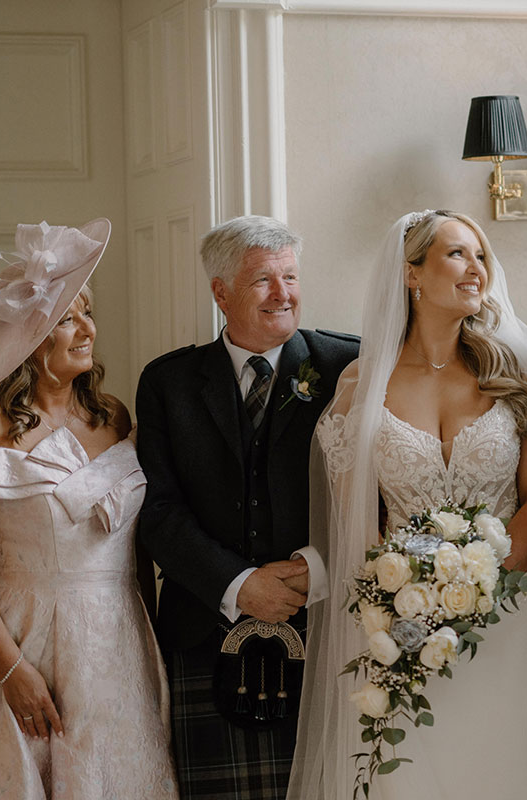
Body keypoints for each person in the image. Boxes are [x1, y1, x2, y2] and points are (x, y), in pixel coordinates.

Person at [286, 210, 527, 800]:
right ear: (412, 274)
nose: (476, 269)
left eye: (481, 256)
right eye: (458, 254)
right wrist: (401, 608)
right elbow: (354, 525)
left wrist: (489, 586)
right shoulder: (363, 385)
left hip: (507, 622)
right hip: (404, 624)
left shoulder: (515, 373)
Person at [0, 219, 177, 798]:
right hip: (16, 640)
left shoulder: (113, 416)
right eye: (66, 317)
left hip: (117, 645)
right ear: (27, 336)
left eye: (87, 312)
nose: (87, 329)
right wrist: (11, 671)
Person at [136, 215, 358, 799]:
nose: (283, 294)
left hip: (329, 627)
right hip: (205, 628)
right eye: (264, 280)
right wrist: (238, 584)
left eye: (290, 276)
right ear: (221, 293)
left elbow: (385, 491)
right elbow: (157, 511)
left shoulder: (349, 368)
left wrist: (321, 566)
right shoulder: (168, 382)